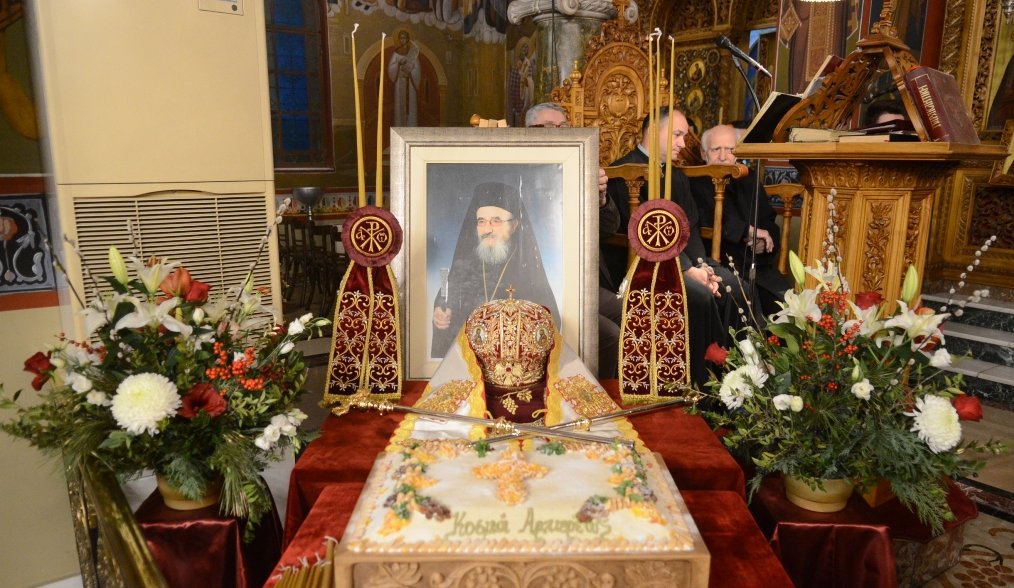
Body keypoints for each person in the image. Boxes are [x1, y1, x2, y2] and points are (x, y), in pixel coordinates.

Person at [605, 107, 737, 385]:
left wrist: (702, 266)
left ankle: (730, 381)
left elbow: (691, 226)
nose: (683, 143)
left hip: (683, 262)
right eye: (677, 135)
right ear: (654, 132)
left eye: (684, 136)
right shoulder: (624, 172)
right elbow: (643, 234)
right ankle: (695, 384)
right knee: (699, 296)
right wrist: (687, 270)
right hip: (642, 265)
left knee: (732, 286)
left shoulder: (676, 175)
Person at [525, 102, 620, 378]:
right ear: (529, 131)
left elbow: (609, 229)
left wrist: (600, 199)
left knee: (636, 314)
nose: (559, 133)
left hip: (582, 280)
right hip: (538, 282)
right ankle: (586, 393)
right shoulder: (520, 169)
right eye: (549, 127)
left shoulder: (581, 165)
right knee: (609, 334)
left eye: (564, 127)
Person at [431, 181, 560, 357]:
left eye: (496, 221)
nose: (487, 229)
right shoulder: (466, 263)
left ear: (514, 226)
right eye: (481, 222)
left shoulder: (527, 266)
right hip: (469, 358)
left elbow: (549, 320)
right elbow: (446, 299)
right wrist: (440, 312)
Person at [690, 124, 788, 317]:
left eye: (730, 149)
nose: (723, 156)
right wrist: (747, 230)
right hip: (723, 264)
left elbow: (768, 221)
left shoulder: (749, 179)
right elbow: (706, 218)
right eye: (716, 149)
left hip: (759, 266)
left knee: (789, 309)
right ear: (703, 153)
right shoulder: (695, 181)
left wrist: (765, 241)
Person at [388, 30, 421, 127]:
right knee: (399, 105)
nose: (403, 40)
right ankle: (400, 126)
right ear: (399, 39)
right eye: (401, 38)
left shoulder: (412, 52)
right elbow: (391, 67)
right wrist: (398, 65)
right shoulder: (396, 53)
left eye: (404, 38)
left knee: (411, 105)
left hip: (410, 82)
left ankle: (411, 126)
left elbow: (417, 68)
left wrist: (410, 71)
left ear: (408, 39)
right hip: (399, 81)